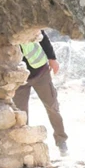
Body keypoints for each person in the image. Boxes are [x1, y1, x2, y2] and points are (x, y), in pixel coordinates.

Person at [12, 29, 69, 157]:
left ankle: (61, 141)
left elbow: (42, 36)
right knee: (21, 113)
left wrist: (52, 58)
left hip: (40, 71)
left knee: (52, 106)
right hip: (19, 77)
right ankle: (24, 147)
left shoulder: (26, 23)